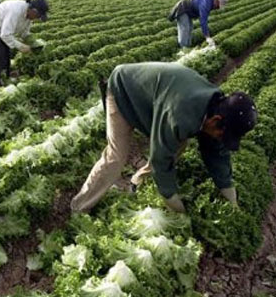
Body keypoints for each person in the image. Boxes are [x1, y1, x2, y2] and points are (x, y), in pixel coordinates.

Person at [70, 62, 258, 214]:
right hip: (123, 89)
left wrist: (232, 202)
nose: (221, 139)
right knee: (116, 156)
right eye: (223, 134)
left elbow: (217, 155)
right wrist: (176, 205)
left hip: (154, 99)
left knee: (176, 147)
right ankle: (80, 206)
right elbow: (161, 157)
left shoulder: (214, 110)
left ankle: (135, 182)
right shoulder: (179, 113)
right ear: (216, 120)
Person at [0, 0, 49, 86]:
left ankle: (6, 76)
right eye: (37, 16)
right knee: (0, 53)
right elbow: (5, 35)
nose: (36, 19)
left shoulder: (29, 17)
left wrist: (34, 42)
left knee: (7, 52)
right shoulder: (16, 11)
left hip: (2, 28)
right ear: (33, 10)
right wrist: (21, 46)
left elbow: (24, 33)